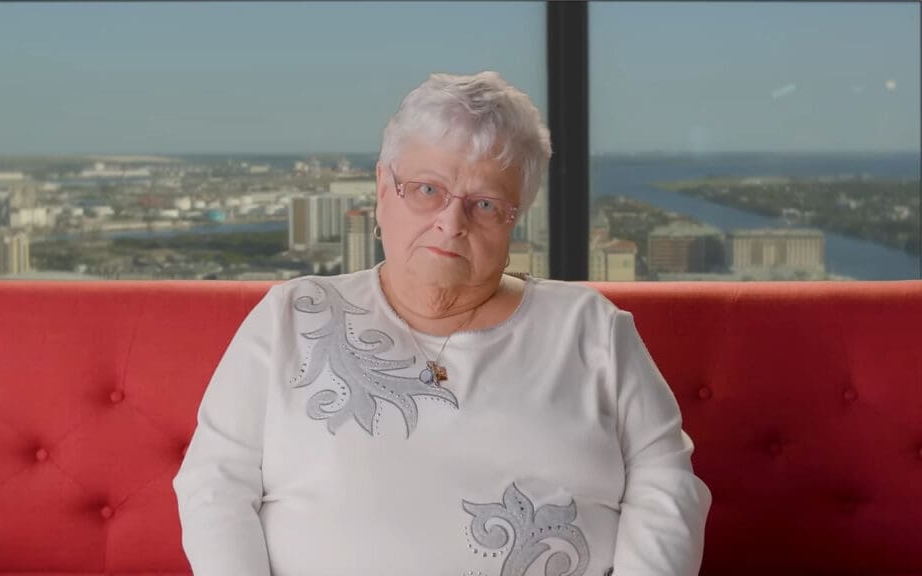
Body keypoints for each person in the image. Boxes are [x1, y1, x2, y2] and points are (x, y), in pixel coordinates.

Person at [173, 71, 711, 576]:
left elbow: (665, 486)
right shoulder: (293, 315)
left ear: (513, 218)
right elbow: (213, 486)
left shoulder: (592, 328)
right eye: (427, 189)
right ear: (384, 189)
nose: (450, 223)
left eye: (484, 203)